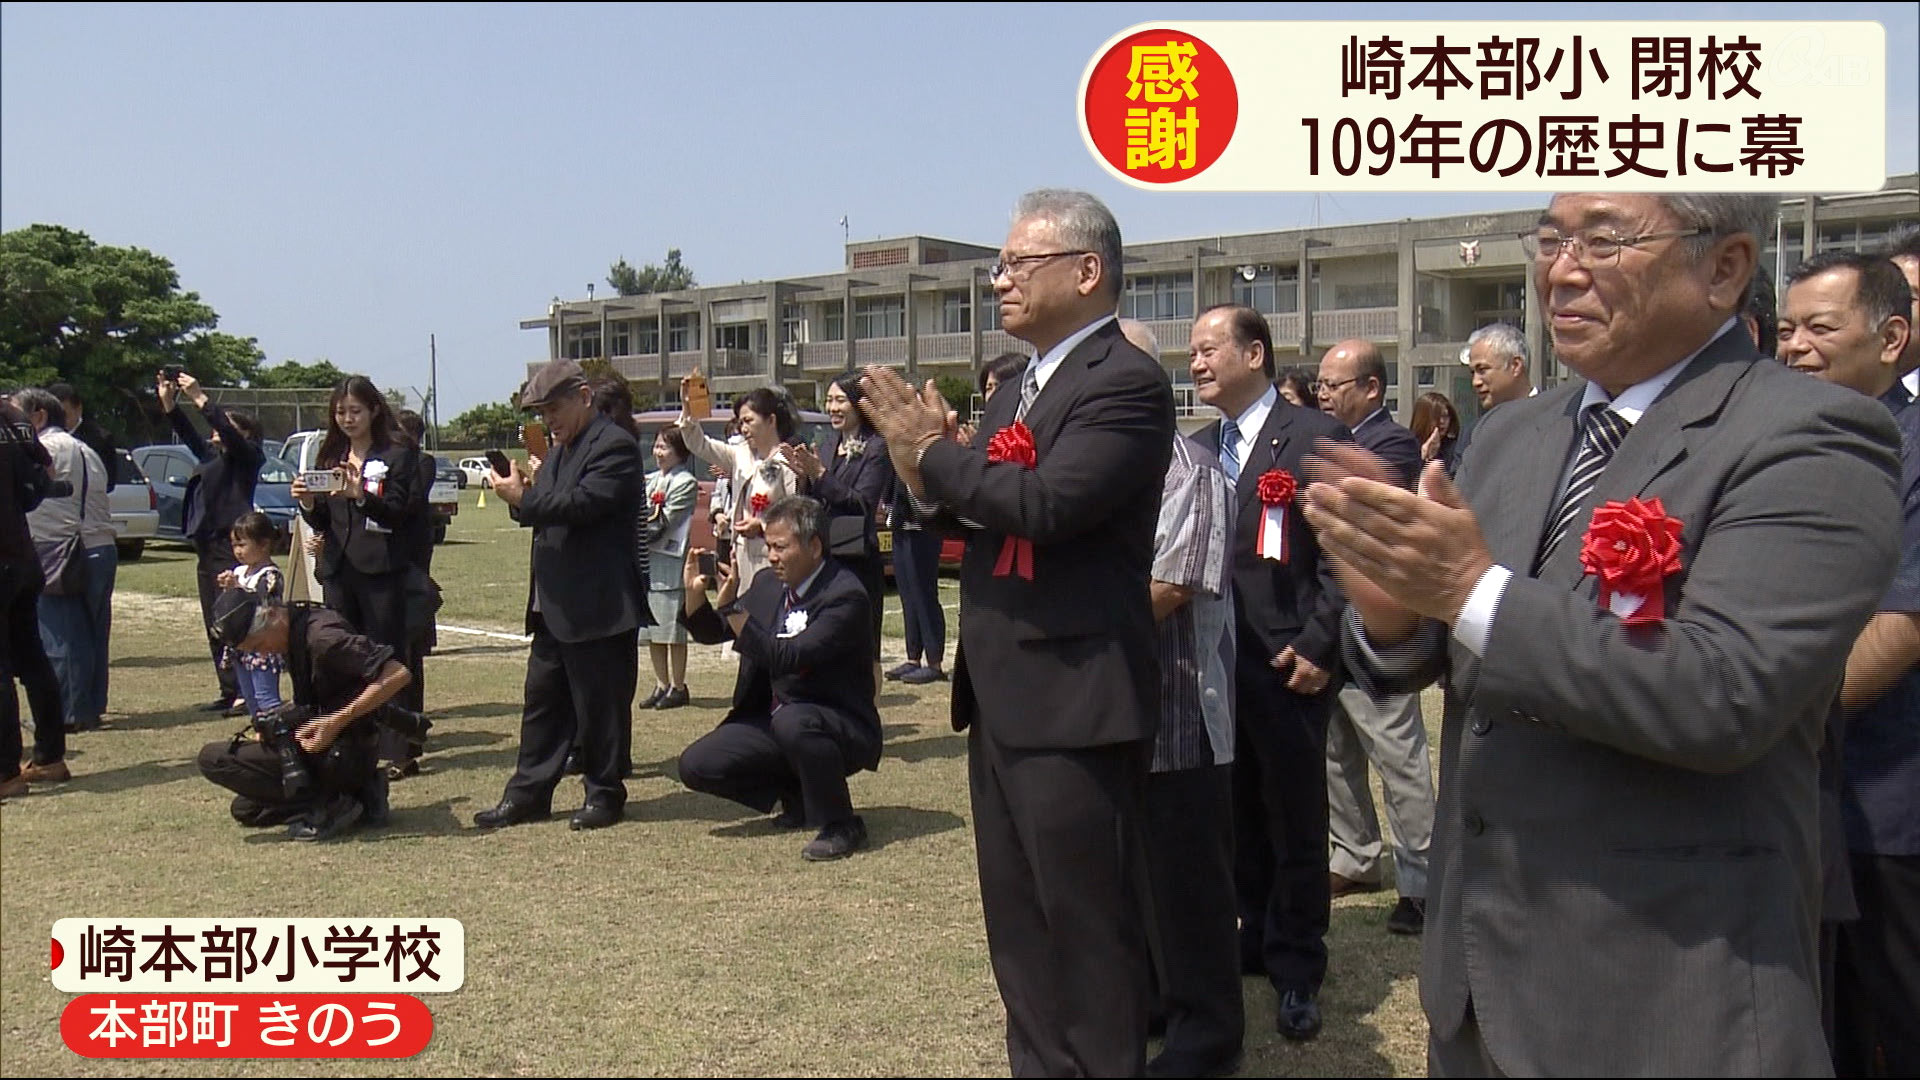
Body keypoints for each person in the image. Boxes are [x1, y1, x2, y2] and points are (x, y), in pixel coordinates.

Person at [1306, 192, 1902, 1076]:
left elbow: (1722, 696)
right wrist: (1396, 612)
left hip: (1664, 992)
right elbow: (1454, 650)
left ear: (1725, 266)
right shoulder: (1515, 433)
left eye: (1607, 240)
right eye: (1550, 239)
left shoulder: (1810, 435)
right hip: (1477, 989)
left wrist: (1469, 590)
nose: (1562, 268)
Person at [861, 188, 1175, 1076]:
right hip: (1002, 692)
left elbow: (1046, 505)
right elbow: (972, 513)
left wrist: (934, 455)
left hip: (1076, 697)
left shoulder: (1123, 382)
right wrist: (912, 467)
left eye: (1016, 264)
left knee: (1087, 930)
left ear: (1087, 271)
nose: (998, 280)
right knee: (1020, 926)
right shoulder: (1025, 386)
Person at [1187, 306, 1350, 1040]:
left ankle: (1297, 966)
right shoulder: (1194, 449)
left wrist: (1323, 643)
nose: (1195, 363)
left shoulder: (1315, 438)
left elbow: (1351, 554)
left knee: (1293, 816)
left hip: (1288, 663)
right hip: (1212, 664)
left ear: (1254, 353)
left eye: (1208, 348)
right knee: (1233, 813)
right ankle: (1251, 932)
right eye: (1190, 352)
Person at [1779, 249, 1920, 1075]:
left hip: (1884, 804)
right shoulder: (1795, 439)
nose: (1794, 346)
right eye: (1788, 328)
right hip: (1799, 798)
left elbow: (1902, 624)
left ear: (1892, 336)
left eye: (1820, 328)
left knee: (1888, 1024)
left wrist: (1767, 715)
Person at [474, 358, 644, 832]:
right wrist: (524, 493)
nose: (548, 419)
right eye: (541, 412)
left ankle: (604, 793)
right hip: (553, 602)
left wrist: (523, 500)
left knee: (599, 708)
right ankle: (528, 793)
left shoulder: (616, 445)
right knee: (543, 702)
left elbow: (584, 505)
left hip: (598, 601)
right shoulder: (561, 449)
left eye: (554, 408)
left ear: (584, 397)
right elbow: (548, 507)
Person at [676, 495, 882, 860]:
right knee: (697, 764)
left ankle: (841, 823)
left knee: (794, 721)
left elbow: (789, 657)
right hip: (777, 719)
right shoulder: (769, 585)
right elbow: (718, 630)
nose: (771, 556)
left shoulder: (845, 596)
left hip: (837, 722)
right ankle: (797, 794)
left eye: (780, 547)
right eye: (768, 546)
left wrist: (734, 608)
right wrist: (696, 599)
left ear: (814, 546)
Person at [1314, 341, 1437, 938]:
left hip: (1376, 626)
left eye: (1336, 384)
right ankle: (1355, 856)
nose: (1324, 393)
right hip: (1324, 625)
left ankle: (1421, 879)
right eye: (1321, 384)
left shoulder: (1391, 445)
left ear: (1371, 388)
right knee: (1337, 753)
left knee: (1398, 757)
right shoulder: (1329, 440)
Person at [1140, 424, 1243, 1079]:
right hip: (1117, 712)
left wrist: (1070, 620)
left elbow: (1174, 585)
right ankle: (1155, 1000)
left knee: (1189, 886)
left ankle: (1208, 1032)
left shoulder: (1191, 468)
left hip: (1182, 716)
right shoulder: (1110, 463)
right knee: (1139, 878)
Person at [196, 589, 413, 841]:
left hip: (344, 749)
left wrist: (336, 721)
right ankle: (360, 795)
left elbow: (398, 673)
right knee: (247, 810)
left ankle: (335, 802)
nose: (264, 654)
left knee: (212, 758)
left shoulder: (323, 637)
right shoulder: (294, 627)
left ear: (272, 616)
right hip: (330, 745)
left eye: (259, 645)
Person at [292, 377, 427, 780]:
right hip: (339, 569)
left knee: (389, 654)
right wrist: (308, 503)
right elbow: (323, 521)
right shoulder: (330, 454)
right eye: (340, 412)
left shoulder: (398, 455)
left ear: (373, 411)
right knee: (342, 657)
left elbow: (401, 511)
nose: (348, 419)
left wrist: (361, 496)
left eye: (355, 410)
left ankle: (401, 749)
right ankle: (351, 739)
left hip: (382, 569)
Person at [778, 372, 895, 685]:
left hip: (857, 560)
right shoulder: (828, 446)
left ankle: (866, 718)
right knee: (828, 642)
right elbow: (812, 504)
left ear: (859, 404)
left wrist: (819, 473)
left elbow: (861, 504)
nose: (832, 407)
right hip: (825, 558)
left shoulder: (877, 448)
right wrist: (803, 476)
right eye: (829, 400)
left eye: (840, 400)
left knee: (863, 646)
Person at [159, 370, 263, 715]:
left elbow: (231, 437)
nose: (218, 430)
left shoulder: (247, 459)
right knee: (213, 620)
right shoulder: (212, 458)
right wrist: (170, 405)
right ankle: (228, 687)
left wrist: (201, 398)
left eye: (228, 426)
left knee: (232, 614)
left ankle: (243, 690)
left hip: (229, 545)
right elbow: (191, 437)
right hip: (206, 546)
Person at [16, 387, 115, 735]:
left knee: (61, 633)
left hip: (66, 548)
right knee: (90, 633)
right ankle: (89, 705)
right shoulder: (83, 448)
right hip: (98, 546)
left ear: (38, 416)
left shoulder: (48, 449)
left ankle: (71, 712)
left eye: (16, 417)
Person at [1, 397, 68, 799]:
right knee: (31, 658)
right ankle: (49, 756)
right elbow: (46, 468)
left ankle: (6, 771)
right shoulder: (10, 414)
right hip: (21, 555)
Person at [676, 385, 799, 587]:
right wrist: (688, 408)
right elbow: (699, 444)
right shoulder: (738, 454)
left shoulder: (788, 459)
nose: (743, 428)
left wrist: (761, 526)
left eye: (749, 421)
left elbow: (795, 514)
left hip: (772, 556)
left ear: (771, 420)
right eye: (740, 422)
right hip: (740, 553)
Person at [642, 426, 698, 710]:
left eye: (664, 447)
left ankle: (678, 685)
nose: (658, 452)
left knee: (672, 631)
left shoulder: (684, 482)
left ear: (680, 451)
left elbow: (665, 521)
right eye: (656, 446)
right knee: (652, 631)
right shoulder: (649, 480)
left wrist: (633, 531)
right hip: (647, 563)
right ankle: (660, 683)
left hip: (670, 561)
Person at [215, 511, 287, 721]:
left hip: (262, 647)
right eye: (234, 545)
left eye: (242, 544)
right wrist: (229, 587)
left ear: (263, 544)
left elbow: (266, 604)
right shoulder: (239, 571)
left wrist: (238, 589)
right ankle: (260, 733)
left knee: (266, 698)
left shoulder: (271, 574)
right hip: (241, 645)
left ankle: (277, 736)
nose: (237, 551)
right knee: (250, 697)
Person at [47, 383, 117, 490]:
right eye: (53, 415)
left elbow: (109, 482)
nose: (58, 420)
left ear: (78, 409)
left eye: (63, 415)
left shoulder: (100, 439)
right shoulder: (42, 437)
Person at [1410, 391, 1463, 478]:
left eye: (1445, 416)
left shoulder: (1456, 448)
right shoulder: (1408, 446)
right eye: (1436, 417)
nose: (1442, 421)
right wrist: (1425, 458)